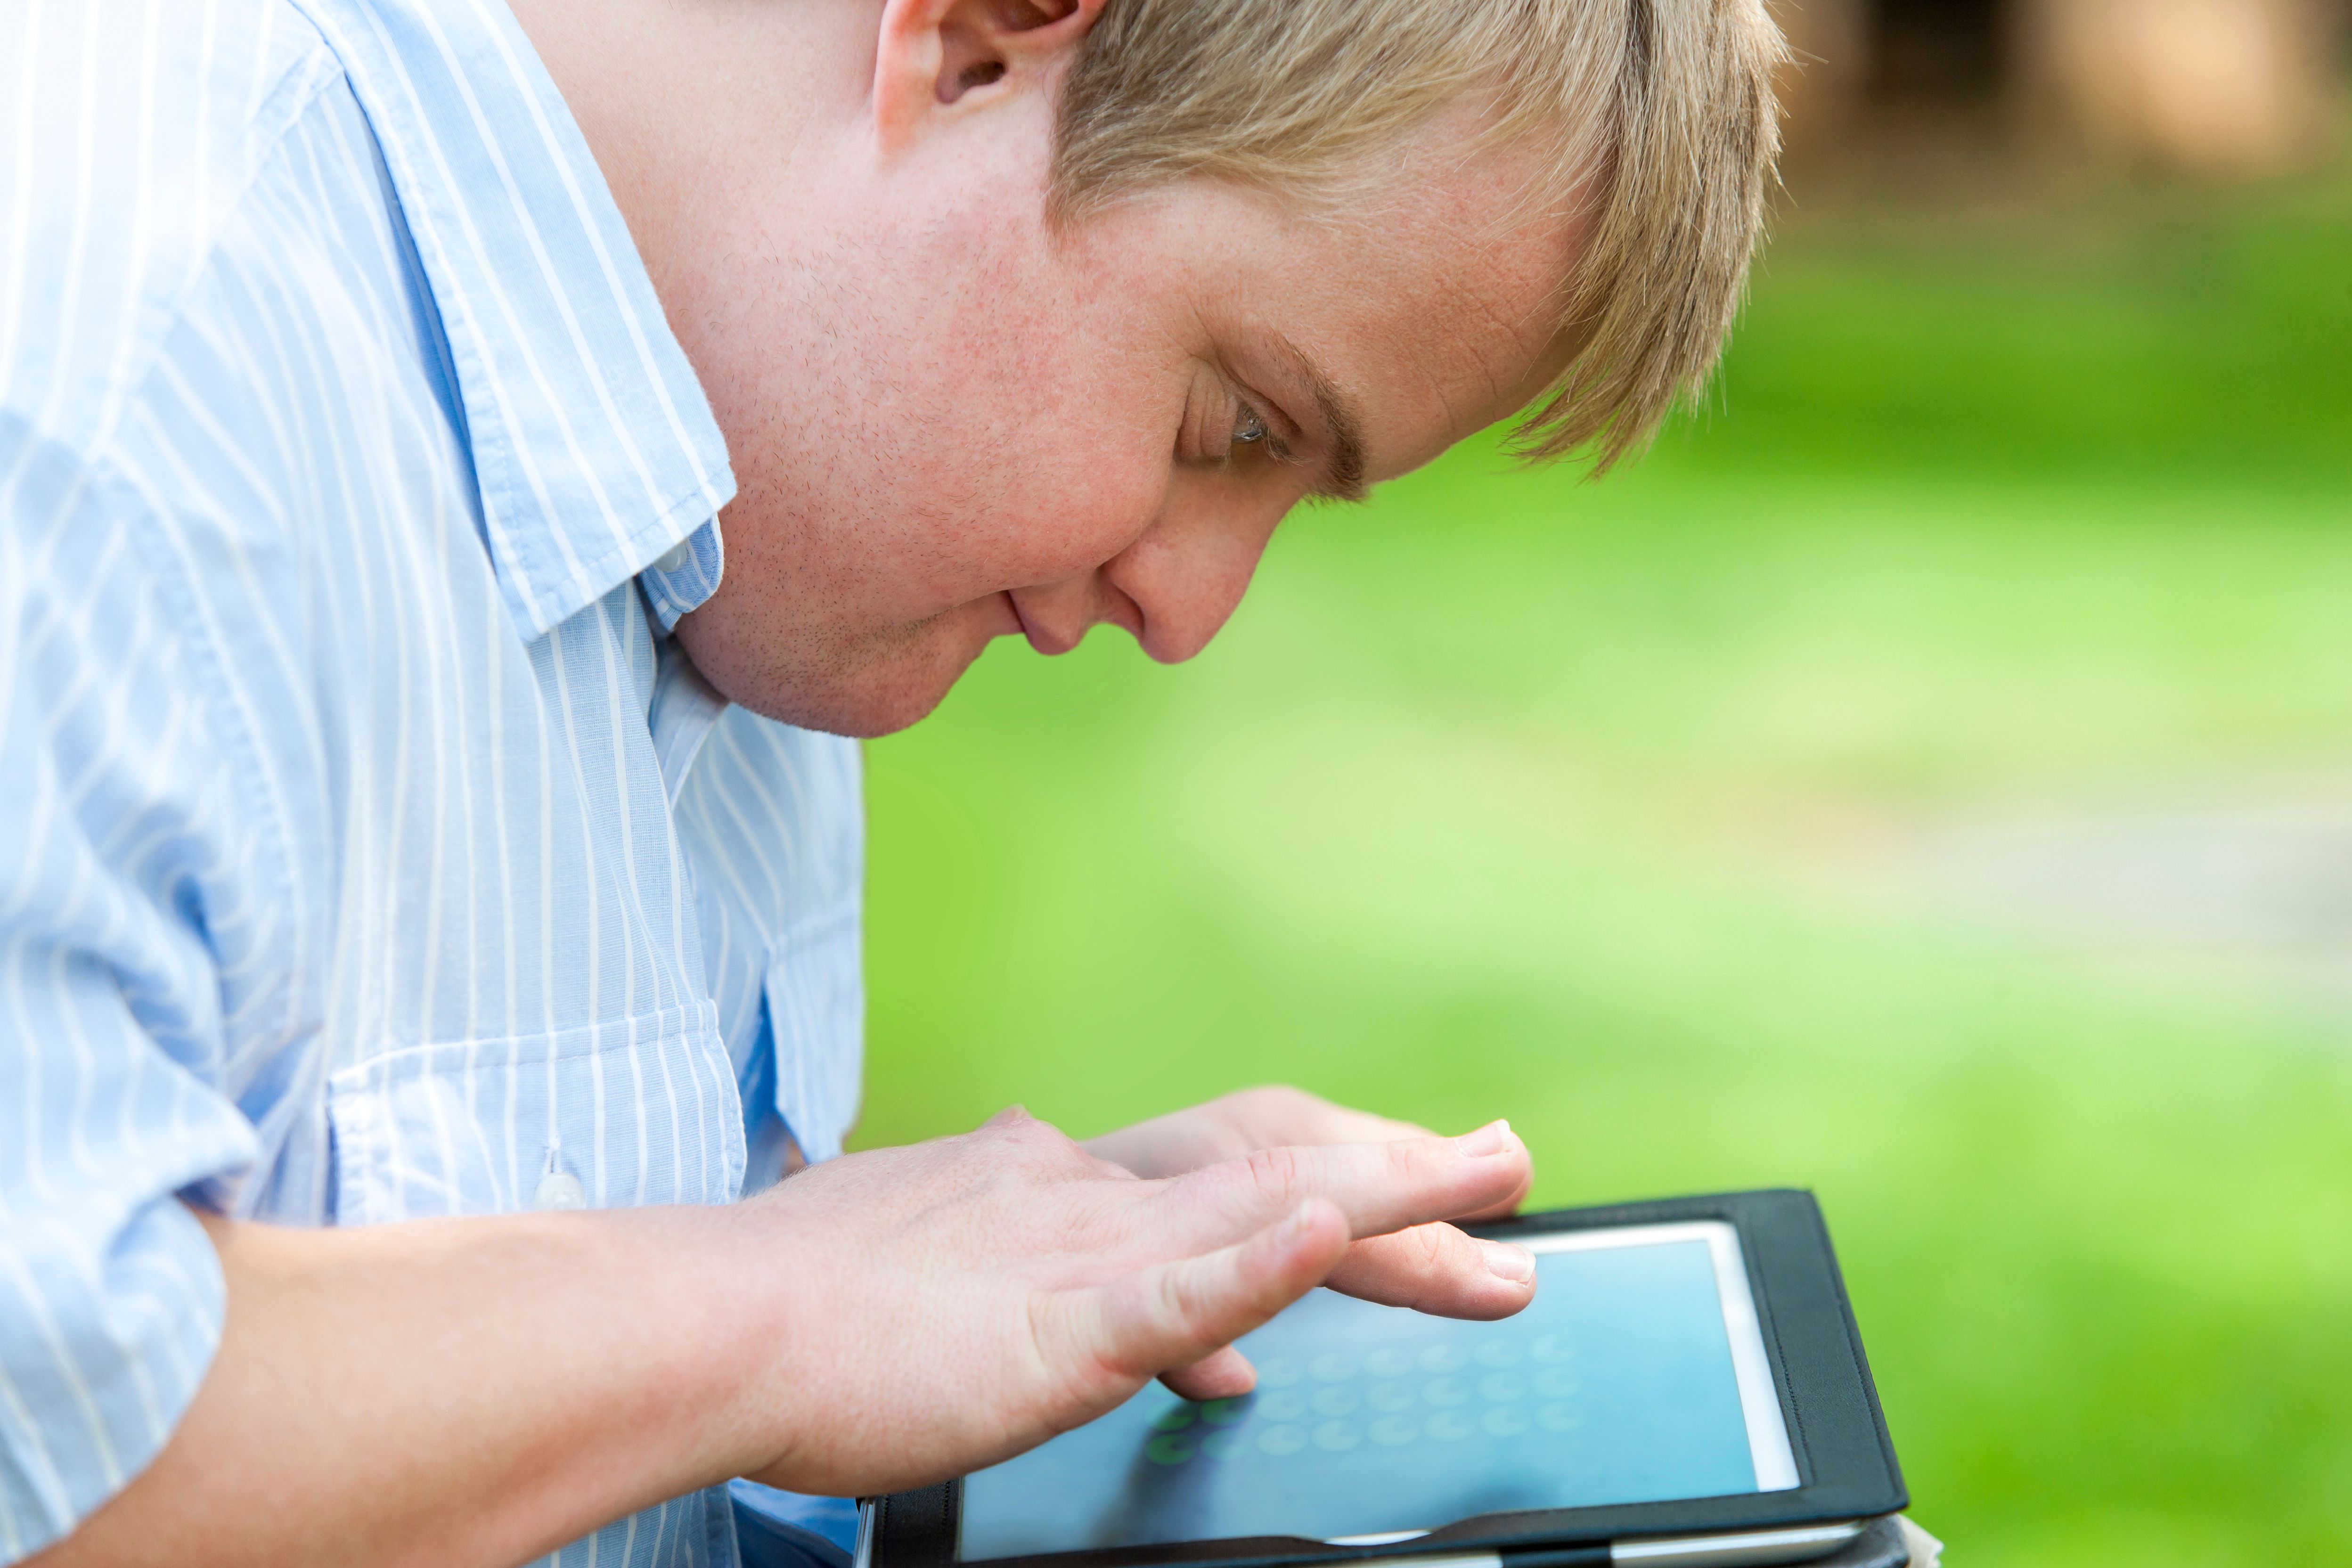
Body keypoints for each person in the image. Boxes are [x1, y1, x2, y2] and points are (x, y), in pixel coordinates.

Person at [0, 0, 1782, 1562]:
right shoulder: (109, 367)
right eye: (1229, 425)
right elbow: (46, 1443)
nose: (1192, 609)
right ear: (979, 40)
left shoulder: (773, 505)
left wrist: (988, 1283)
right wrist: (776, 1314)